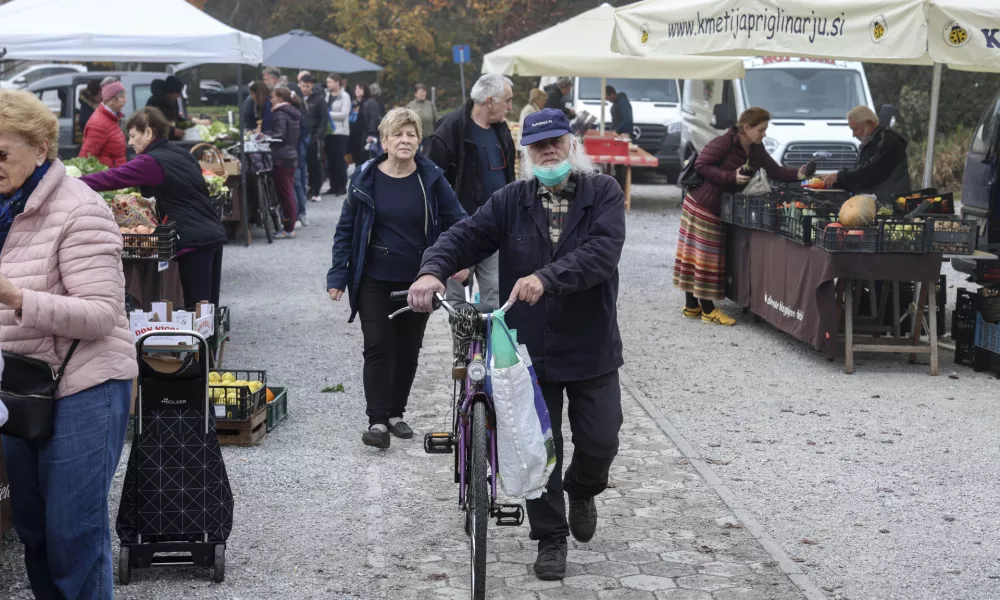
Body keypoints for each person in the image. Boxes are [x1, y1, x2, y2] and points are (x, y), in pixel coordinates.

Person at [409, 108, 626, 582]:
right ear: (526, 154)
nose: (548, 151)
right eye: (538, 145)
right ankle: (550, 538)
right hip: (526, 349)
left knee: (601, 438)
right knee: (534, 448)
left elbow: (602, 254)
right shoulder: (511, 199)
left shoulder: (603, 192)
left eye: (555, 141)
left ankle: (584, 488)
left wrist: (547, 277)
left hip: (590, 344)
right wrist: (433, 269)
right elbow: (466, 235)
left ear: (572, 142)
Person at [0, 89, 138, 600]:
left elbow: (102, 315)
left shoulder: (82, 210)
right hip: (20, 384)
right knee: (33, 532)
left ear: (40, 149)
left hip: (85, 384)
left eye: (2, 152)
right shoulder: (4, 206)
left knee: (72, 534)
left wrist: (17, 297)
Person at [326, 108, 468, 449]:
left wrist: (461, 260)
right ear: (384, 140)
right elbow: (346, 229)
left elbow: (459, 220)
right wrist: (338, 275)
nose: (405, 140)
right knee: (377, 345)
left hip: (419, 278)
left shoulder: (431, 178)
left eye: (412, 135)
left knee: (407, 350)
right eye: (398, 135)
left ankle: (395, 413)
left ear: (419, 140)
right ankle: (376, 421)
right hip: (374, 276)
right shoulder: (366, 179)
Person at [80, 107, 227, 308]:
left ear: (149, 132)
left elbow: (112, 178)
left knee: (198, 308)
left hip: (194, 238)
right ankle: (210, 337)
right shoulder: (182, 154)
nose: (130, 143)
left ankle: (203, 338)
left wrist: (72, 182)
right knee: (207, 307)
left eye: (133, 136)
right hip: (211, 231)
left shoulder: (150, 163)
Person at [676, 107, 811, 325]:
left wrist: (799, 173)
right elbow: (701, 165)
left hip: (715, 205)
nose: (764, 134)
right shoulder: (724, 142)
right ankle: (708, 310)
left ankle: (692, 307)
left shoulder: (756, 150)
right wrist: (730, 176)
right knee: (705, 258)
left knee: (695, 256)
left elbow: (774, 171)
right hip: (703, 204)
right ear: (747, 127)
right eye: (761, 129)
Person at [427, 73, 515, 309]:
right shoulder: (451, 128)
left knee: (497, 298)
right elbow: (432, 182)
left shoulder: (501, 130)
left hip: (495, 229)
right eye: (507, 100)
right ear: (489, 101)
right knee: (457, 301)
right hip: (460, 231)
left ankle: (493, 346)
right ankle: (465, 346)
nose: (510, 106)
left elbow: (509, 178)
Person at [822, 105, 911, 203]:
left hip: (891, 205)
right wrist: (834, 181)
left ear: (870, 124)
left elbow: (870, 172)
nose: (854, 134)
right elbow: (858, 176)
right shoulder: (870, 143)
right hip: (873, 203)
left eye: (855, 129)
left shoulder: (889, 141)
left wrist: (839, 176)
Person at [265, 86, 301, 239]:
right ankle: (290, 224)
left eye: (273, 97)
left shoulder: (280, 114)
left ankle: (288, 227)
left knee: (285, 194)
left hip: (281, 157)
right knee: (289, 192)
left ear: (280, 98)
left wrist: (265, 136)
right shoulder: (292, 112)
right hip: (291, 155)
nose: (271, 99)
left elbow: (279, 134)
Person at [78, 80, 127, 168]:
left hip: (114, 176)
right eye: (122, 97)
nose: (125, 101)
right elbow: (85, 158)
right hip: (106, 178)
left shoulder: (112, 119)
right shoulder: (98, 124)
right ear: (111, 100)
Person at [301, 74, 327, 207]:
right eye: (303, 86)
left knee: (314, 163)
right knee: (302, 163)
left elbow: (324, 118)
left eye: (308, 86)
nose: (305, 89)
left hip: (313, 135)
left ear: (312, 85)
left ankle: (316, 190)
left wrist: (319, 135)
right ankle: (305, 189)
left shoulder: (319, 99)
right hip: (301, 134)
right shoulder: (297, 98)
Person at [324, 73, 351, 197]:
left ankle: (342, 186)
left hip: (340, 132)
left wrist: (328, 114)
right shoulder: (327, 95)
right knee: (331, 160)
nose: (328, 84)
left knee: (339, 159)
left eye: (330, 82)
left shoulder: (345, 96)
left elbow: (344, 114)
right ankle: (333, 186)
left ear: (337, 82)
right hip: (328, 131)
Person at [292, 75, 314, 227]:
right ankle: (300, 212)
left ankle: (300, 213)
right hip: (296, 150)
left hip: (295, 151)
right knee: (297, 182)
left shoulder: (295, 113)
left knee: (297, 181)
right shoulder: (300, 109)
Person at [406, 83, 438, 150]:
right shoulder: (410, 105)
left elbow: (436, 120)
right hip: (415, 137)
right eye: (421, 92)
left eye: (424, 92)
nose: (423, 94)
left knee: (428, 155)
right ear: (415, 94)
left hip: (429, 137)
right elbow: (406, 122)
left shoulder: (430, 105)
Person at [361, 84, 384, 159]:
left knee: (371, 154)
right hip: (379, 131)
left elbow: (374, 119)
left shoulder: (370, 103)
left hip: (372, 132)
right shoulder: (380, 102)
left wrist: (371, 133)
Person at [348, 83, 368, 166]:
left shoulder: (367, 103)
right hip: (351, 132)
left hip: (362, 134)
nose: (358, 90)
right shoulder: (353, 103)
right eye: (356, 88)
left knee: (361, 157)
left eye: (360, 89)